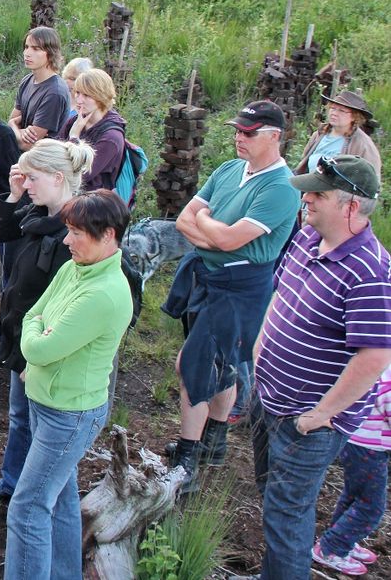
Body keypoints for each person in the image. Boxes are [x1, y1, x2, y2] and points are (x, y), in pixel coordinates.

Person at [249, 155, 391, 580]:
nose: (305, 197)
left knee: (287, 518)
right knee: (274, 501)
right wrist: (259, 353)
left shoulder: (371, 271)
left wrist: (320, 416)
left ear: (351, 206)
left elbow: (375, 356)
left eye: (318, 193)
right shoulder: (306, 238)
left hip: (307, 421)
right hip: (268, 398)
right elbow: (279, 296)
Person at [163, 100, 301, 493]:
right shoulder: (229, 169)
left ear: (275, 136)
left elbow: (223, 235)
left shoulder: (281, 188)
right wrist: (215, 234)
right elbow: (183, 220)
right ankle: (214, 441)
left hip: (240, 288)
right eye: (238, 131)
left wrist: (208, 227)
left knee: (193, 367)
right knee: (220, 365)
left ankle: (188, 458)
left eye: (249, 133)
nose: (240, 138)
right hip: (208, 278)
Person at [5, 189, 134, 580]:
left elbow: (39, 347)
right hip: (49, 402)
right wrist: (37, 329)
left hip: (69, 413)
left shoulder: (105, 293)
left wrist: (36, 333)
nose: (66, 240)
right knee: (59, 497)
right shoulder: (74, 270)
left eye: (77, 233)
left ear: (108, 234)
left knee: (27, 508)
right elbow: (35, 313)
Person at [0, 138, 95, 503]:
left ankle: (39, 489)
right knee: (19, 415)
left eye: (32, 178)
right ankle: (14, 483)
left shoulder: (75, 233)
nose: (26, 184)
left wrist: (40, 354)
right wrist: (14, 194)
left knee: (44, 425)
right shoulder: (39, 216)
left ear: (58, 177)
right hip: (21, 334)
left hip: (45, 347)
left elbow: (69, 303)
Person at [312, 363, 391, 575]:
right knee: (371, 506)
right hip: (369, 450)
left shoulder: (381, 369)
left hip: (355, 441)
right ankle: (331, 549)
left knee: (354, 495)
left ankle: (342, 536)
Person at [57, 67, 126, 191]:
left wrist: (73, 138)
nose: (79, 100)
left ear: (101, 97)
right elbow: (54, 153)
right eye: (77, 92)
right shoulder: (77, 120)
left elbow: (78, 176)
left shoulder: (111, 138)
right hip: (61, 188)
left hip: (90, 202)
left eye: (87, 95)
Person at [8, 26, 70, 153]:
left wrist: (13, 126)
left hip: (43, 164)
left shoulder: (54, 92)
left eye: (36, 49)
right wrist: (15, 128)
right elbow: (8, 125)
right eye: (26, 47)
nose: (27, 53)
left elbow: (27, 145)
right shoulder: (27, 80)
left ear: (51, 52)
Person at [295, 90, 381, 178]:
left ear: (354, 116)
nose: (334, 113)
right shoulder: (319, 134)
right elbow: (304, 162)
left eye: (341, 111)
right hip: (309, 188)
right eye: (332, 108)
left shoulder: (363, 145)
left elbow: (371, 181)